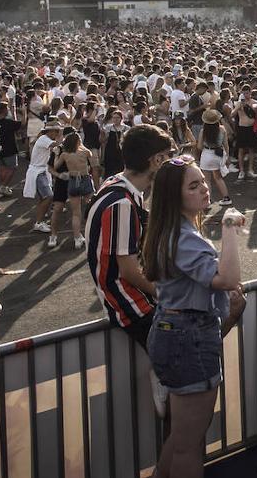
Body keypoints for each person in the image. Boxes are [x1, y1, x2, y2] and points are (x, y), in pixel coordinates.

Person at [141, 156, 245, 478]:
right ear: (175, 196)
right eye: (194, 185)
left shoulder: (175, 232)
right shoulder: (182, 237)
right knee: (189, 445)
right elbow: (228, 278)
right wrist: (229, 228)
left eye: (203, 181)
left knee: (181, 437)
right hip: (187, 338)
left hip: (177, 332)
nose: (204, 189)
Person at [85, 123, 176, 348]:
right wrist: (167, 294)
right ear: (156, 160)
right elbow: (129, 270)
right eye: (168, 157)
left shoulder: (116, 184)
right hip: (133, 307)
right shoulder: (121, 204)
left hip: (131, 302)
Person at [55, 131, 94, 250]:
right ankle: (91, 235)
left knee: (76, 213)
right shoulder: (84, 152)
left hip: (73, 180)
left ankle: (77, 238)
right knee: (90, 209)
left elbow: (56, 166)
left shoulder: (65, 155)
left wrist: (56, 154)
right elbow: (91, 157)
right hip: (85, 179)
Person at [24, 119, 62, 236]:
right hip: (38, 172)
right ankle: (39, 222)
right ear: (51, 132)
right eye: (56, 132)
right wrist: (62, 135)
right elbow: (57, 145)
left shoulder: (45, 139)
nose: (57, 134)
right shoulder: (44, 139)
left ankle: (40, 221)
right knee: (48, 196)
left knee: (44, 198)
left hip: (41, 171)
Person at [195, 108, 233, 206]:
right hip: (218, 154)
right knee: (218, 178)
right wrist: (227, 157)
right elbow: (226, 145)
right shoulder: (222, 129)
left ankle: (208, 200)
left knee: (206, 180)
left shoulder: (203, 131)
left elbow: (199, 146)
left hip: (206, 154)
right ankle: (226, 197)